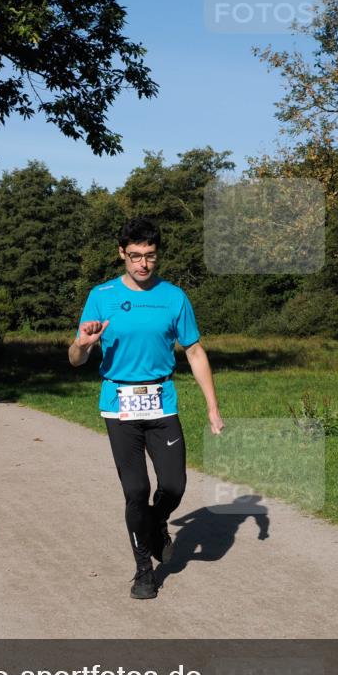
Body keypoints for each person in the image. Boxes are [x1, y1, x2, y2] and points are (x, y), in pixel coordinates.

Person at [69, 216, 224, 600]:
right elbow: (75, 358)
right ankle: (143, 571)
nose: (142, 264)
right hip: (118, 404)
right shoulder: (101, 295)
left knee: (173, 484)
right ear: (122, 254)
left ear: (157, 256)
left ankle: (157, 524)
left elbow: (194, 350)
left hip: (161, 400)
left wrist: (212, 407)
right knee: (136, 490)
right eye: (135, 256)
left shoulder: (174, 297)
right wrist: (83, 344)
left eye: (150, 256)